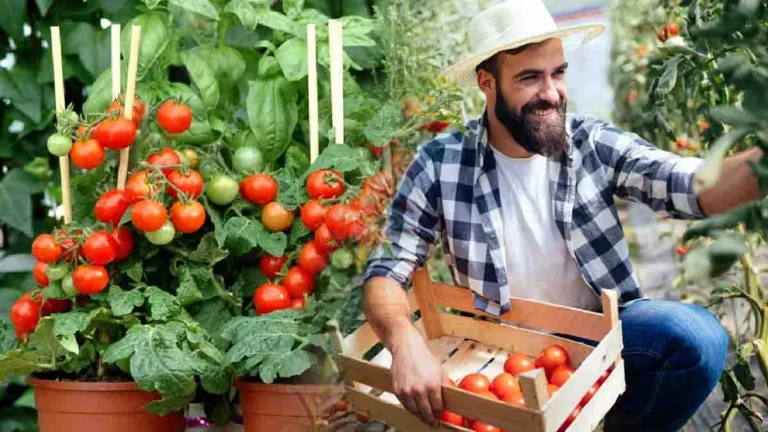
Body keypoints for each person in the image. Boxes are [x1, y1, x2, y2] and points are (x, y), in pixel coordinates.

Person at [362, 1, 762, 431]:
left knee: (696, 337)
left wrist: (763, 163)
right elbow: (388, 268)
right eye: (529, 77)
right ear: (487, 83)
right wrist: (405, 343)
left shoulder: (592, 142)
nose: (551, 93)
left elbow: (693, 185)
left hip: (603, 338)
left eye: (558, 73)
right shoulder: (441, 163)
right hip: (503, 350)